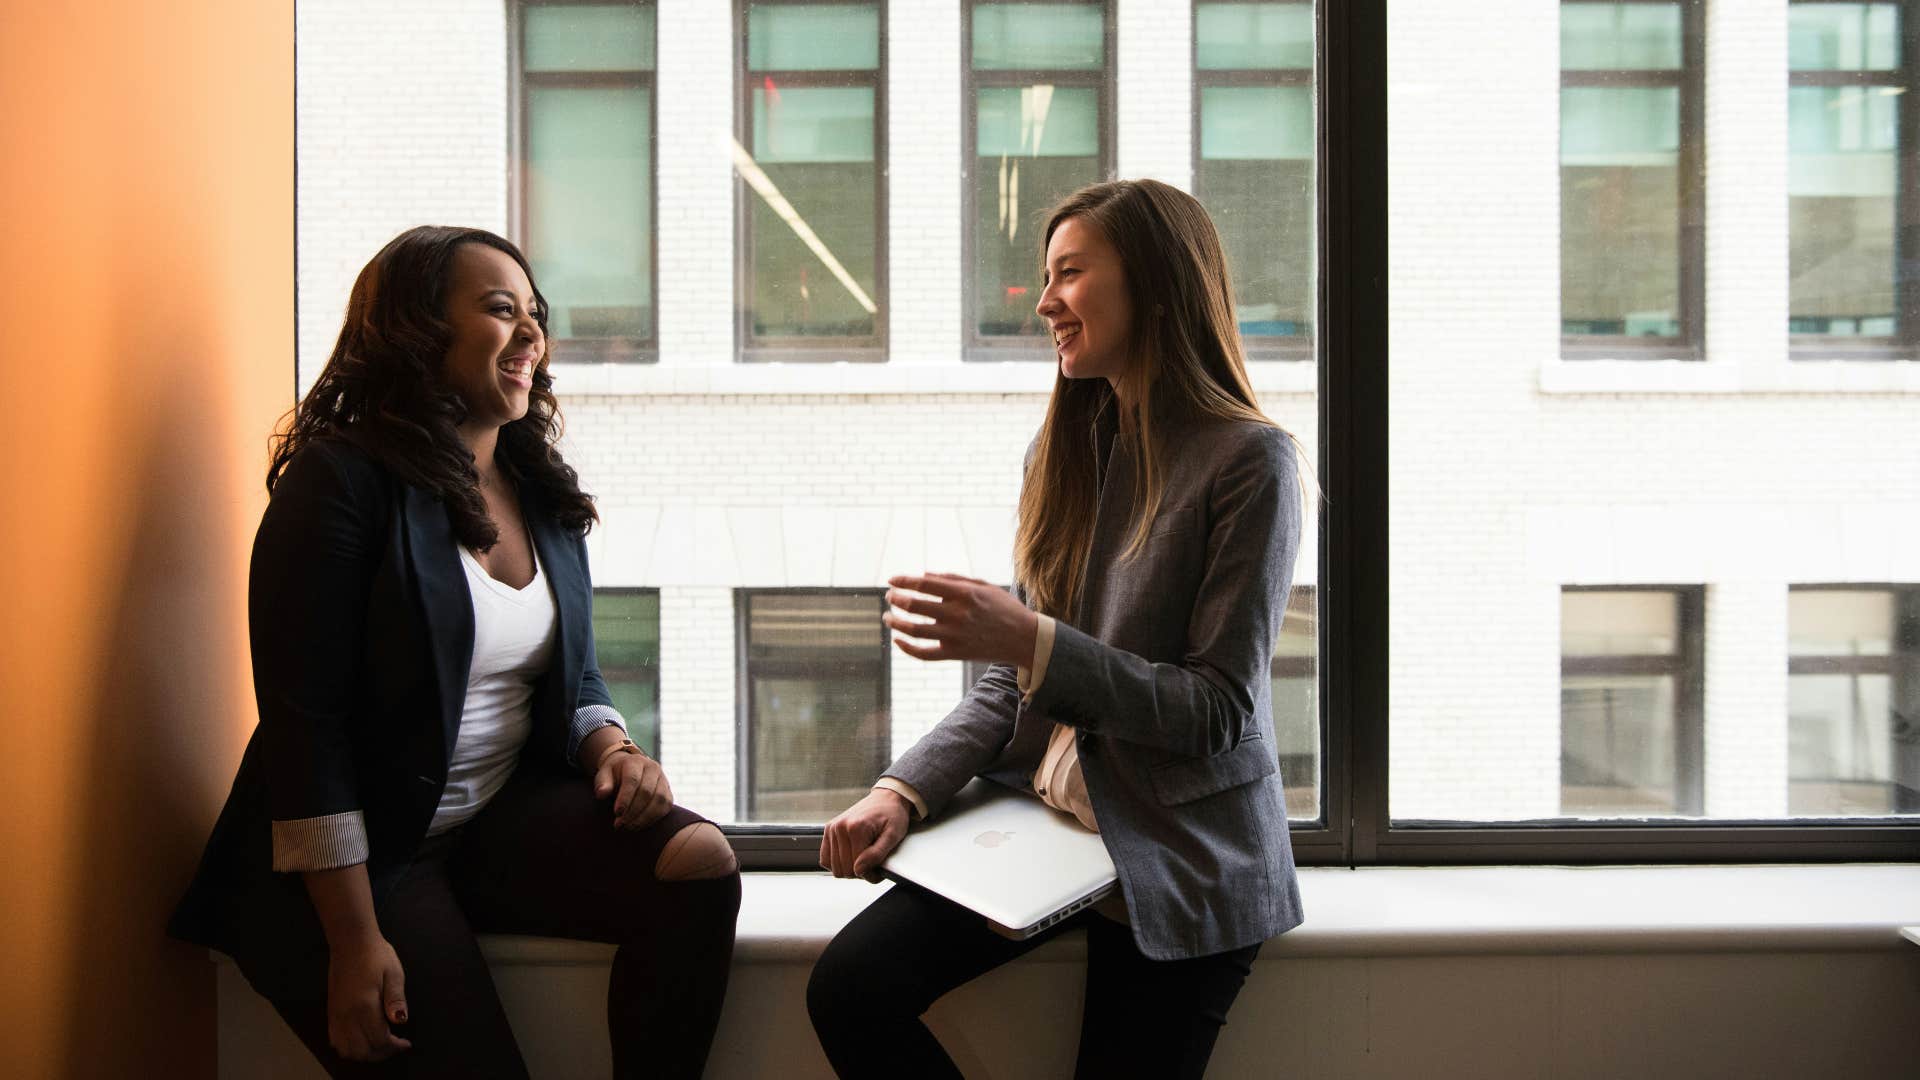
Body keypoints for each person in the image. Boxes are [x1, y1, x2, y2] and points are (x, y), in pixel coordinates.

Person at [169, 226, 741, 1079]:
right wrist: (354, 943)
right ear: (416, 329)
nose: (531, 335)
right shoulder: (339, 483)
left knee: (699, 865)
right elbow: (306, 730)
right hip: (357, 863)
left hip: (482, 821)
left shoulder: (537, 487)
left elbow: (570, 672)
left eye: (537, 316)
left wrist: (612, 746)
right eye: (501, 310)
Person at [808, 179, 1307, 1079]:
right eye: (1047, 277)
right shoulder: (1064, 450)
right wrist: (901, 791)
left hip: (1179, 852)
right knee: (848, 987)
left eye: (1069, 274)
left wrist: (1029, 642)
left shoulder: (1250, 461)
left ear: (1155, 284)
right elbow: (1012, 683)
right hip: (1051, 829)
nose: (1043, 302)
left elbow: (1216, 710)